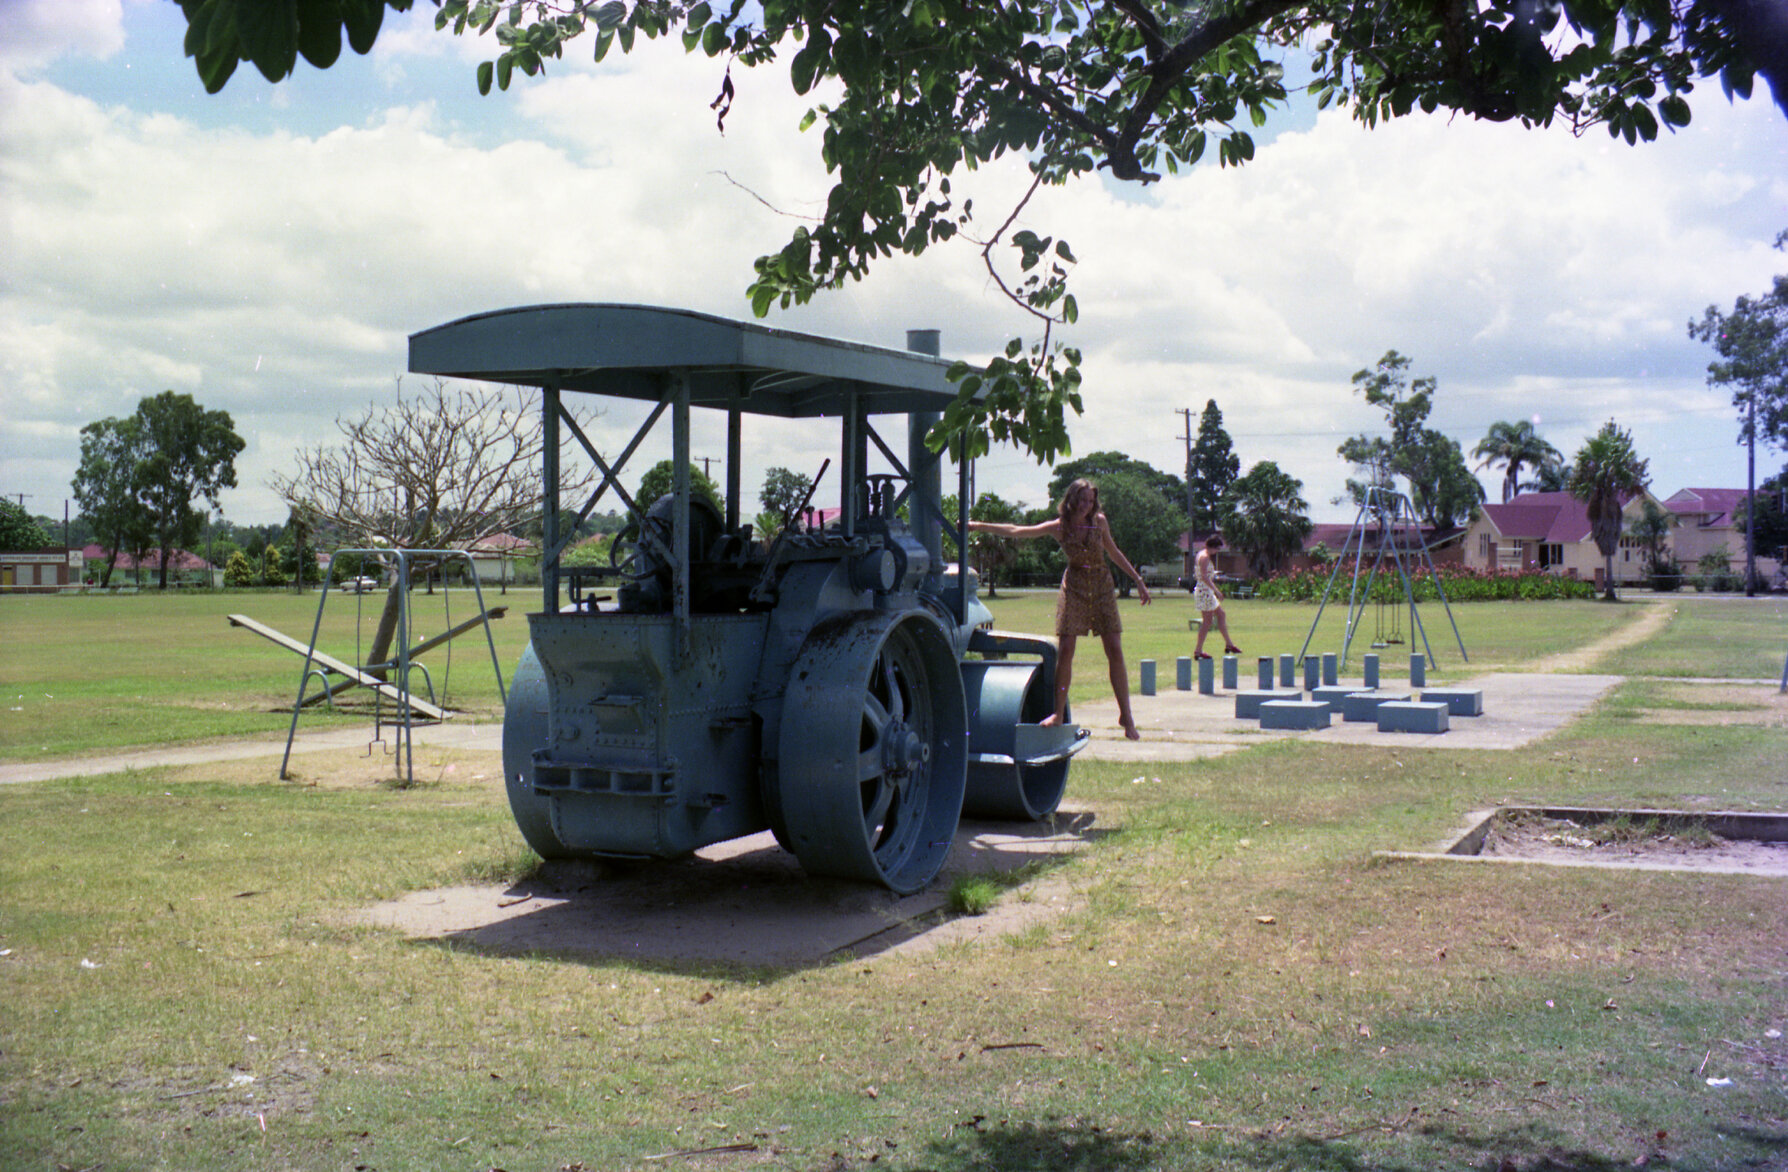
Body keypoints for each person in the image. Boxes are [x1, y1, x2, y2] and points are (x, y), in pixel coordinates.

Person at [967, 479, 1151, 739]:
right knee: (1065, 650)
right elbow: (1017, 530)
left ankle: (1126, 715)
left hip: (1101, 585)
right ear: (1072, 499)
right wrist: (978, 526)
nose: (1087, 505)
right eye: (1083, 500)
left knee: (1115, 650)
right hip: (1074, 586)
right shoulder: (1059, 527)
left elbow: (1114, 551)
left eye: (1091, 500)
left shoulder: (1099, 522)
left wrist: (1138, 581)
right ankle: (1057, 713)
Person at [1191, 534, 1242, 660]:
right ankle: (1198, 651)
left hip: (1206, 590)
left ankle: (1229, 644)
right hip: (1205, 591)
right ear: (1212, 547)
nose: (1217, 552)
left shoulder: (1202, 554)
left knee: (1221, 614)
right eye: (1217, 549)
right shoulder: (1205, 557)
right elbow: (1204, 576)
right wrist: (1216, 591)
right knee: (1207, 622)